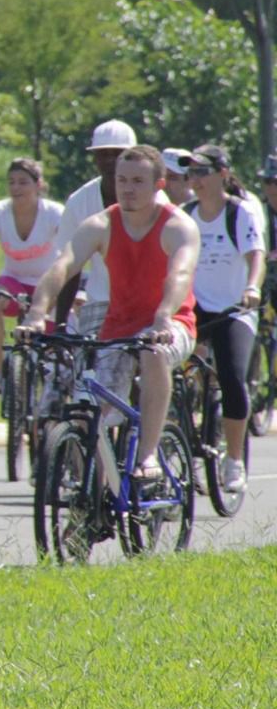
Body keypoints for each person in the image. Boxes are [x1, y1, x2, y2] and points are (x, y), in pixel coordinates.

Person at [20, 146, 198, 480]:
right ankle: (98, 494)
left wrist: (162, 316)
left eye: (138, 181)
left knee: (153, 354)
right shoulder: (101, 224)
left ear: (159, 184)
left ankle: (148, 455)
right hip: (118, 326)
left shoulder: (178, 225)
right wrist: (37, 312)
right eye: (122, 180)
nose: (128, 188)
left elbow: (180, 275)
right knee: (92, 414)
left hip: (171, 323)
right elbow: (63, 267)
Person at [183, 144, 265, 492]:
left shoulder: (240, 212)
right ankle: (181, 446)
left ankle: (233, 460)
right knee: (174, 375)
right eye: (191, 172)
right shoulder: (185, 214)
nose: (195, 179)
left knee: (232, 377)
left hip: (234, 309)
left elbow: (256, 255)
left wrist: (252, 287)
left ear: (223, 174)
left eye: (202, 172)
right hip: (194, 309)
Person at [0, 157, 64, 398]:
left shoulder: (55, 213)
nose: (16, 188)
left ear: (38, 185)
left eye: (23, 182)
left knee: (54, 347)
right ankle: (1, 368)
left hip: (49, 286)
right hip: (14, 282)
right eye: (11, 182)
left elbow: (70, 249)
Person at [52, 119, 164, 334]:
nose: (111, 161)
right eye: (103, 154)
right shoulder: (79, 202)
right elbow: (69, 267)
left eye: (118, 154)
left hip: (151, 305)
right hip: (101, 303)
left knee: (148, 352)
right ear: (95, 158)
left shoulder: (156, 199)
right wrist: (60, 325)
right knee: (91, 354)